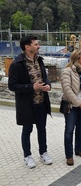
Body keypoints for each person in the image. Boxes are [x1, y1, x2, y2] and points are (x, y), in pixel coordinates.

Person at [8, 35, 53, 169]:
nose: (38, 46)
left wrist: (48, 85)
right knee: (27, 129)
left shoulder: (39, 60)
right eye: (36, 44)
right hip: (27, 104)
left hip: (41, 102)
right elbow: (12, 86)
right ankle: (27, 156)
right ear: (27, 47)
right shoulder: (17, 64)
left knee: (42, 129)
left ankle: (43, 152)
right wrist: (32, 87)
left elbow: (45, 77)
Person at [61, 49, 81, 166]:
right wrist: (77, 102)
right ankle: (69, 155)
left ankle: (79, 149)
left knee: (80, 128)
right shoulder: (67, 71)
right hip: (71, 105)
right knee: (69, 130)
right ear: (77, 58)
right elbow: (67, 89)